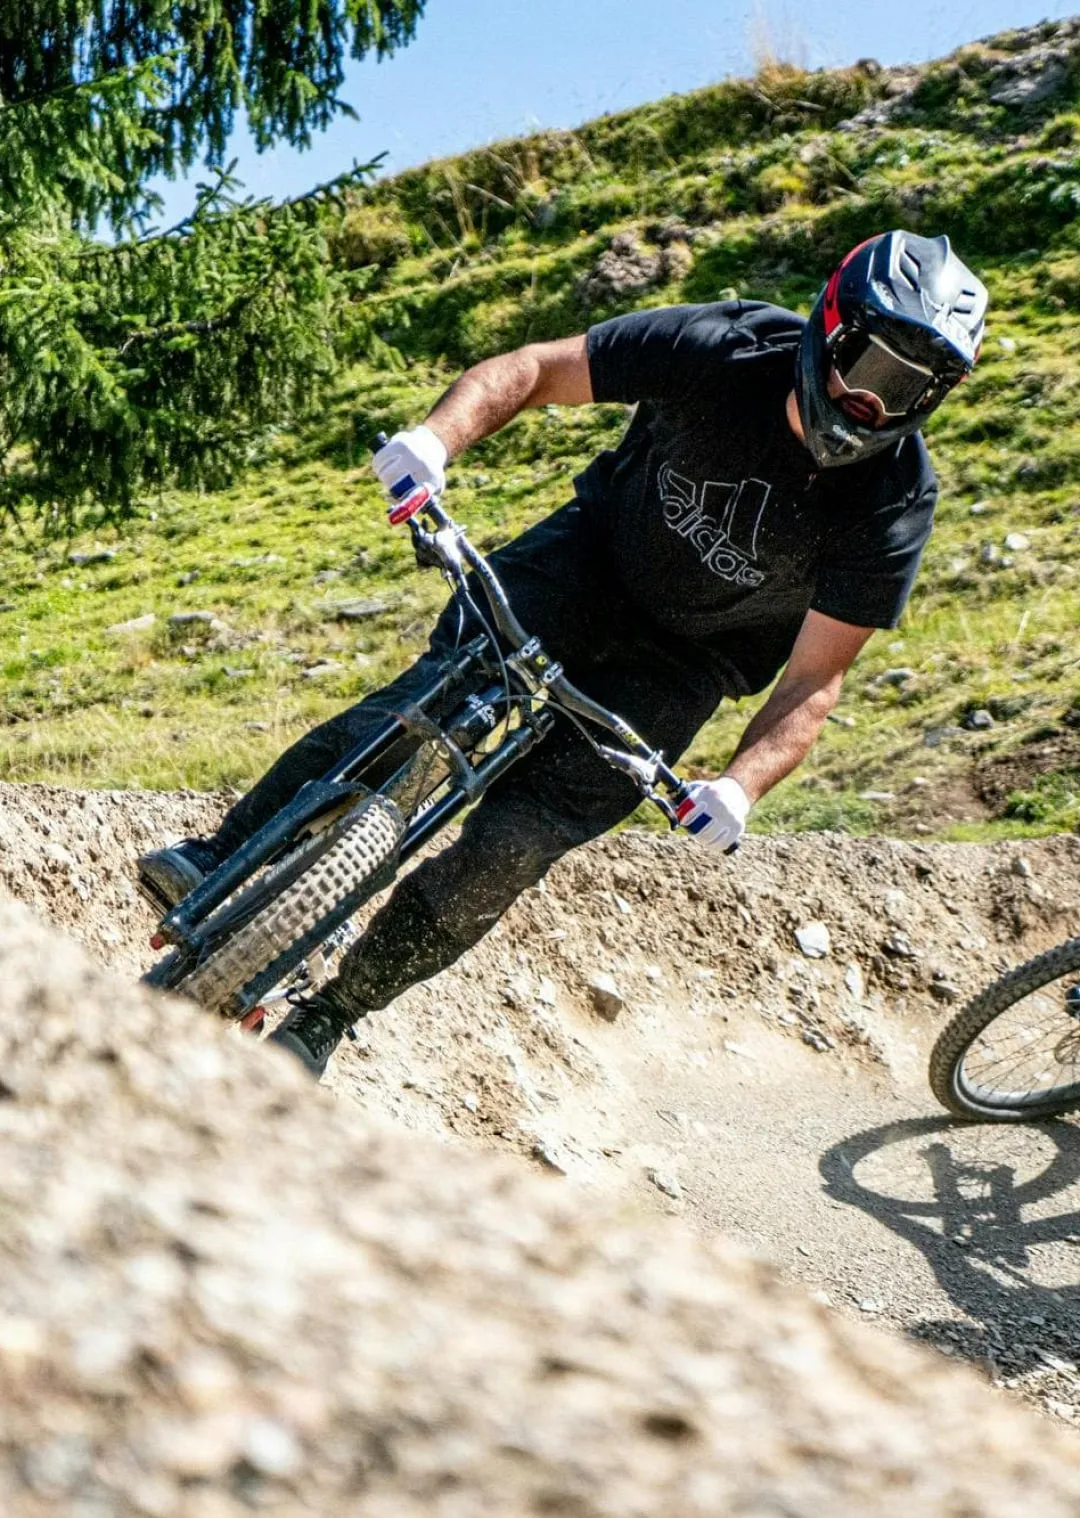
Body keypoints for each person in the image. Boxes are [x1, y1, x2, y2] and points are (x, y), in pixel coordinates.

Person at [138, 228, 987, 1078]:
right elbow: (534, 371)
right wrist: (435, 442)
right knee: (427, 703)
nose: (882, 405)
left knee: (513, 846)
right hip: (587, 562)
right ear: (833, 327)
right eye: (876, 370)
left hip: (687, 664)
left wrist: (738, 786)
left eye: (916, 392)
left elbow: (814, 679)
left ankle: (330, 1016)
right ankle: (223, 853)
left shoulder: (896, 503)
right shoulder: (725, 348)